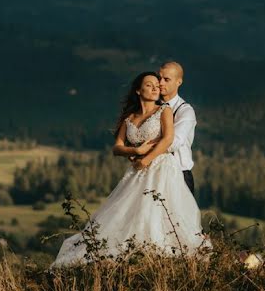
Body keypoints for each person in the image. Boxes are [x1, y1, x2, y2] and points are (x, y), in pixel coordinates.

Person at [50, 72, 208, 268]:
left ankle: (160, 258)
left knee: (157, 212)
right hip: (137, 172)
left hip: (161, 169)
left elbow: (169, 139)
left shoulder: (164, 110)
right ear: (138, 90)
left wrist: (146, 158)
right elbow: (117, 147)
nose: (155, 87)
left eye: (156, 85)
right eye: (149, 85)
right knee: (129, 213)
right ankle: (132, 256)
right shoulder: (130, 117)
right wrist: (135, 151)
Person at [155, 61, 198, 194]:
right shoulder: (150, 106)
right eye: (159, 78)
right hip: (152, 173)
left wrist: (142, 149)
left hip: (179, 175)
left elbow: (173, 143)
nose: (160, 83)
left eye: (166, 79)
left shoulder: (185, 111)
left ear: (178, 82)